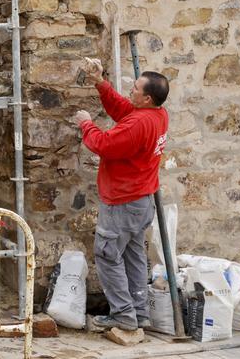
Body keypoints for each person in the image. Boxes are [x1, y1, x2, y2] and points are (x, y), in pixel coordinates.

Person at [72, 58, 170, 332]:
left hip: (122, 204)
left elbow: (103, 144)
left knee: (107, 255)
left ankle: (123, 316)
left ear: (148, 98)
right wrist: (100, 83)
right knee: (134, 256)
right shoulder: (157, 115)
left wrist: (86, 124)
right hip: (140, 202)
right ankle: (138, 314)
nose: (131, 90)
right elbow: (124, 109)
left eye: (136, 88)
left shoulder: (138, 125)